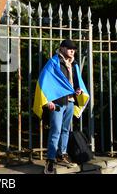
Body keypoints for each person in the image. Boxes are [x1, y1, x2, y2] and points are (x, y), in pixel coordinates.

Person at [33, 39, 89, 174]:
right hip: (57, 102)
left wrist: (78, 89)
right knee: (56, 130)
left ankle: (62, 154)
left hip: (70, 101)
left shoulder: (73, 63)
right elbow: (44, 80)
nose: (72, 51)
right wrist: (47, 101)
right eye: (70, 48)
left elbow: (75, 82)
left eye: (74, 49)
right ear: (62, 48)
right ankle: (50, 160)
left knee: (65, 129)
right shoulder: (54, 62)